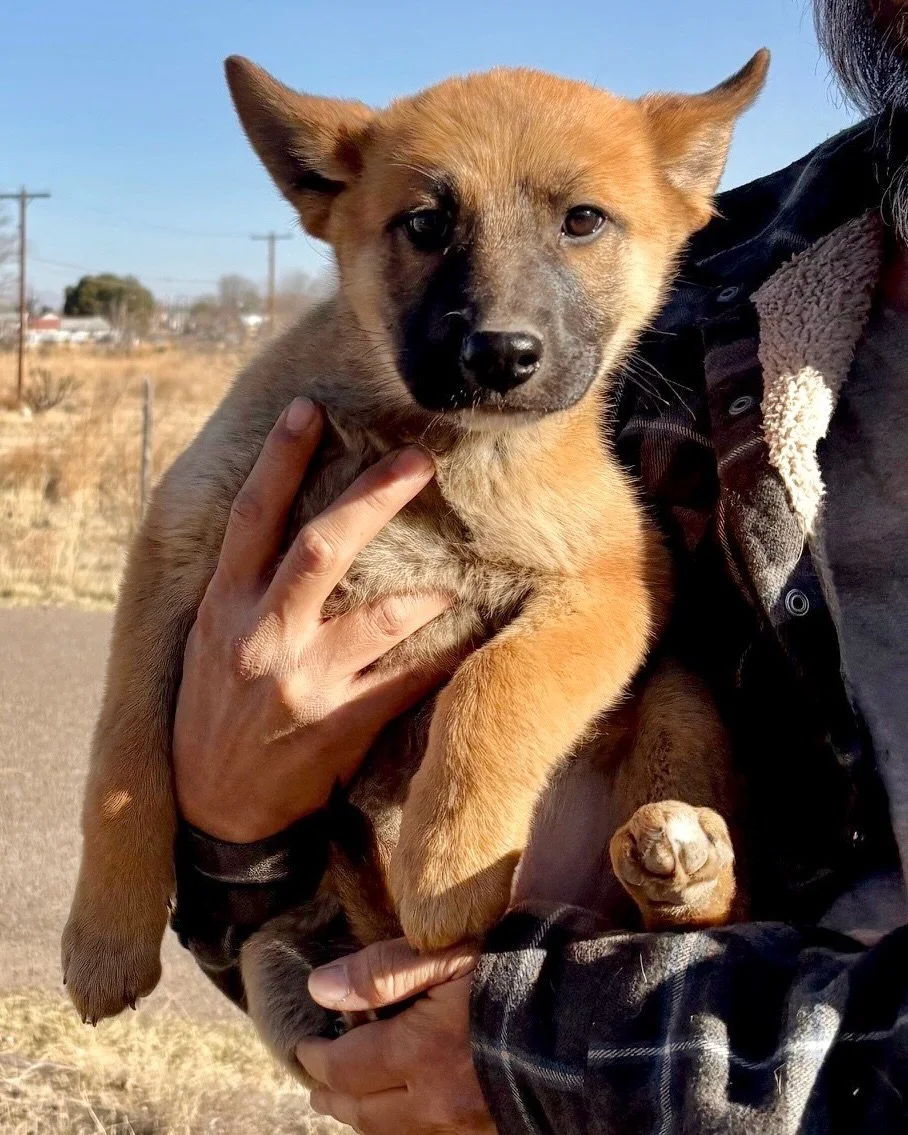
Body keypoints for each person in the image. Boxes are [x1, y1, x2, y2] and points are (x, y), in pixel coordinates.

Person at [169, 0, 908, 1129]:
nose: (504, 317)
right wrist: (236, 824)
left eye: (572, 222)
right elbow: (346, 1016)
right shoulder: (707, 296)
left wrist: (565, 1054)